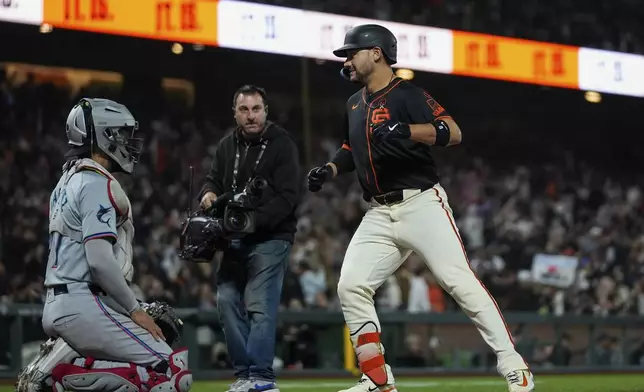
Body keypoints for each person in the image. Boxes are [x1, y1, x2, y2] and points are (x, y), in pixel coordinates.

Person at [306, 24, 535, 392]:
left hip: (421, 202)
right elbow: (351, 148)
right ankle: (378, 380)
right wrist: (329, 169)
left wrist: (407, 130)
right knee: (351, 285)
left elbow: (453, 131)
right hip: (378, 212)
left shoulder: (407, 94)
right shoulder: (353, 103)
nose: (347, 60)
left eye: (352, 52)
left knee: (458, 281)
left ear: (376, 53)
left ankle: (514, 365)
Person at [36, 98, 192, 392]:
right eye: (121, 133)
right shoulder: (96, 182)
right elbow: (98, 261)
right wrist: (135, 310)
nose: (128, 142)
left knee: (142, 366)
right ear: (105, 135)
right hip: (85, 302)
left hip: (62, 300)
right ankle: (62, 379)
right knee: (173, 376)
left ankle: (65, 368)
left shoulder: (66, 181)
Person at [199, 85, 301, 392]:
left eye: (256, 109)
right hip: (234, 237)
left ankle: (261, 377)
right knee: (227, 300)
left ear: (266, 111)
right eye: (244, 110)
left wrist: (254, 221)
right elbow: (213, 180)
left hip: (271, 236)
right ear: (235, 114)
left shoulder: (282, 144)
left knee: (259, 303)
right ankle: (245, 375)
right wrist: (208, 194)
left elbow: (288, 198)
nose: (251, 115)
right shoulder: (226, 145)